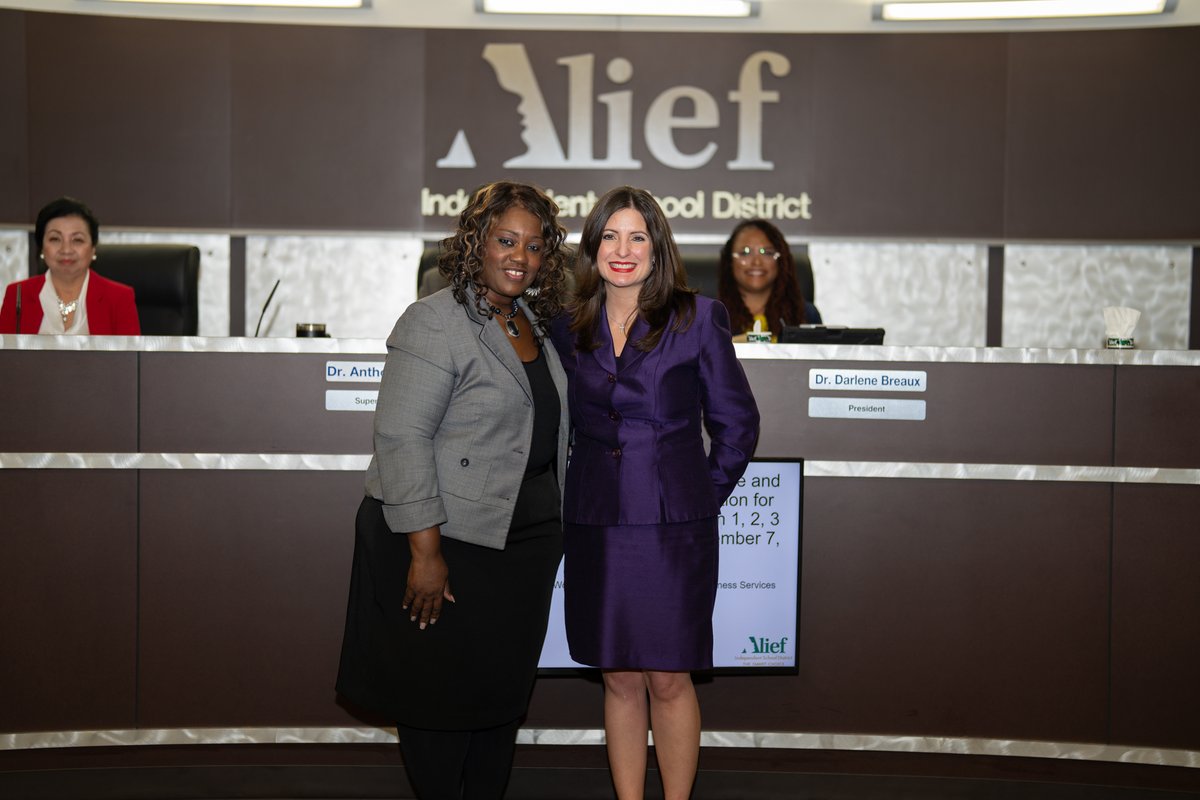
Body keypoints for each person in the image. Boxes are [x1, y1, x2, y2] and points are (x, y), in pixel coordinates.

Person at [336, 181, 571, 800]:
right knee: (439, 705)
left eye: (535, 245)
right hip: (448, 547)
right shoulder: (434, 321)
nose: (521, 255)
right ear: (477, 243)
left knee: (499, 703)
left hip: (519, 550)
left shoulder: (530, 322)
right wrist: (425, 553)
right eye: (506, 240)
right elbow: (402, 437)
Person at [550, 186, 760, 800]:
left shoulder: (699, 318)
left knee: (668, 677)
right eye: (610, 236)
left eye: (637, 236)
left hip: (674, 528)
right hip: (596, 521)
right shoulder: (566, 325)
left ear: (657, 247)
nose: (623, 249)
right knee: (617, 676)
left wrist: (698, 495)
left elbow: (737, 423)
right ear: (592, 247)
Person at [0, 197, 140, 335]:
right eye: (55, 239)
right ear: (42, 248)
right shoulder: (18, 295)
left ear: (93, 249)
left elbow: (129, 357)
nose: (66, 250)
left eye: (77, 240)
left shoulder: (119, 298)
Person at [717, 218, 820, 341]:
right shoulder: (712, 315)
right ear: (729, 261)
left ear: (781, 262)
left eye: (767, 252)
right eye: (745, 252)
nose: (756, 262)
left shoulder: (805, 314)